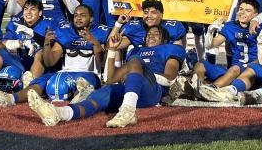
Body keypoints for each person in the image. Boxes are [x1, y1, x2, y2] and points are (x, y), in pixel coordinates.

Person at [25, 24, 184, 128]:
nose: (150, 36)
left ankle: (127, 111)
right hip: (132, 91)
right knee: (103, 92)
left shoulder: (169, 48)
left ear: (164, 39)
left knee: (136, 62)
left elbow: (169, 77)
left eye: (155, 34)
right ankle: (60, 113)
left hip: (152, 89)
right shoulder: (134, 51)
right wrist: (113, 50)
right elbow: (110, 78)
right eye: (148, 33)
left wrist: (138, 71)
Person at [0, 4, 110, 108]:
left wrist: (93, 41)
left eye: (83, 15)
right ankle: (10, 99)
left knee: (83, 85)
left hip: (90, 74)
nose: (78, 18)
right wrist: (46, 44)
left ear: (91, 19)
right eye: (76, 15)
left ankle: (72, 107)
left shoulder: (99, 32)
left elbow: (101, 62)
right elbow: (50, 62)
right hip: (66, 72)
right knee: (41, 80)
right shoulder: (66, 32)